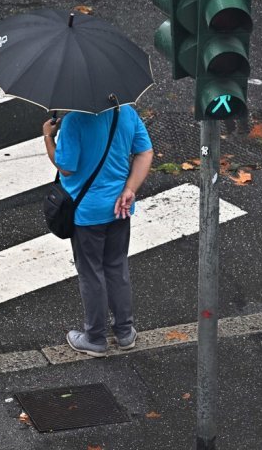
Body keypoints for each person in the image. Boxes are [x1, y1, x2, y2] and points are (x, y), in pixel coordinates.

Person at [42, 104, 153, 357]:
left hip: (87, 213)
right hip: (120, 208)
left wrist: (48, 136)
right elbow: (145, 152)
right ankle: (125, 333)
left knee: (91, 273)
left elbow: (66, 166)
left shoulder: (74, 121)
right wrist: (130, 189)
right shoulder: (125, 113)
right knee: (116, 267)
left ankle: (95, 338)